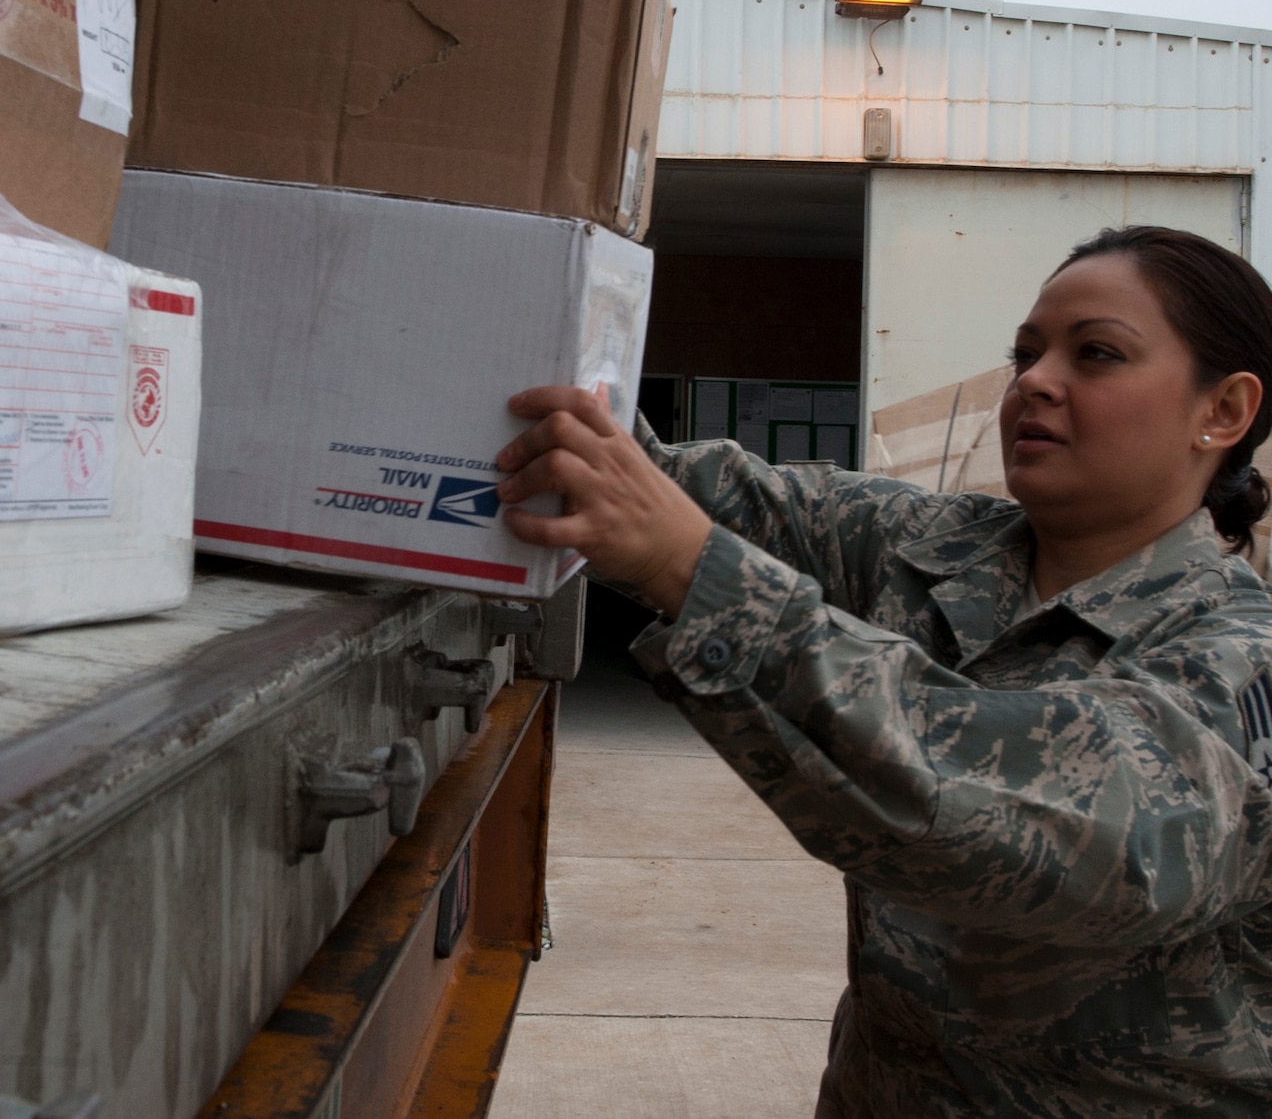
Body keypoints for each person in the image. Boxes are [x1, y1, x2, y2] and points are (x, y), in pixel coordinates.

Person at [495, 226, 1272, 1116]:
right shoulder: (921, 547)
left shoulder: (1235, 654)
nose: (1034, 382)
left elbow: (1029, 824)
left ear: (1223, 411)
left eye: (1096, 353)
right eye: (1025, 354)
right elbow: (644, 481)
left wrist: (696, 570)